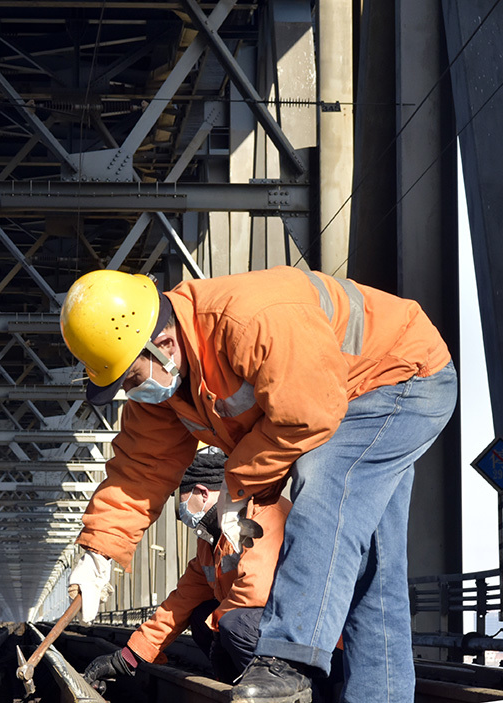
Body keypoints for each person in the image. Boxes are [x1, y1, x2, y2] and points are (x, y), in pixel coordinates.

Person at [62, 267, 456, 703]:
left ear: (164, 343)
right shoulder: (168, 386)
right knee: (375, 571)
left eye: (132, 379)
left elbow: (308, 412)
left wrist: (237, 484)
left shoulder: (251, 318)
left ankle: (288, 657)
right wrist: (99, 552)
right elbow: (140, 469)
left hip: (400, 377)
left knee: (326, 480)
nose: (134, 392)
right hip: (350, 394)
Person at [82, 448, 294, 692]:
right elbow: (180, 602)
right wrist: (128, 657)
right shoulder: (209, 541)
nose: (180, 512)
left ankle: (282, 689)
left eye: (179, 500)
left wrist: (217, 631)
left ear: (201, 493)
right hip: (259, 622)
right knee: (201, 615)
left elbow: (256, 592)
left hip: (297, 625)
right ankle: (239, 688)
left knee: (232, 623)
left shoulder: (262, 514)